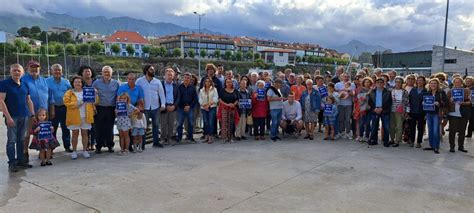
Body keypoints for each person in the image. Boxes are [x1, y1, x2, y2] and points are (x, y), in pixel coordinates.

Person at [0, 64, 35, 172]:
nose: (16, 73)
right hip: (12, 117)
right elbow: (1, 101)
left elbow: (28, 100)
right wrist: (8, 117)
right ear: (10, 72)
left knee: (21, 140)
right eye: (14, 71)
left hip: (24, 116)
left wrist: (32, 114)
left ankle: (20, 161)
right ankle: (12, 163)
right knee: (11, 140)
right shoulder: (4, 84)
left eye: (18, 71)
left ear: (22, 72)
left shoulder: (25, 84)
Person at [22, 60, 54, 164]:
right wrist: (31, 113)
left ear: (39, 69)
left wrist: (51, 108)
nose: (34, 69)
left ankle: (44, 153)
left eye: (36, 67)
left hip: (43, 114)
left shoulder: (44, 80)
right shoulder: (23, 80)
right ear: (27, 68)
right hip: (29, 113)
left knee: (44, 134)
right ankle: (25, 153)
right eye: (32, 67)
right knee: (27, 134)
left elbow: (49, 95)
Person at [64, 76, 98, 160]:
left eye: (79, 82)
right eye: (76, 82)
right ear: (73, 83)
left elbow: (96, 101)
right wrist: (79, 102)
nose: (78, 83)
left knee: (85, 134)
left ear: (82, 83)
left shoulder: (87, 91)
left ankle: (84, 150)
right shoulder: (69, 92)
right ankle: (74, 151)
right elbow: (67, 103)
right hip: (74, 117)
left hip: (86, 116)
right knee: (74, 134)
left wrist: (96, 94)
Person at [135, 64, 166, 149]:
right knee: (143, 126)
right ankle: (142, 144)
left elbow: (162, 94)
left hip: (155, 107)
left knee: (156, 125)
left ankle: (156, 142)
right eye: (151, 70)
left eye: (153, 69)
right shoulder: (139, 81)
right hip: (144, 108)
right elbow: (136, 93)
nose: (153, 71)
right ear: (146, 71)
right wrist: (137, 105)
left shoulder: (157, 81)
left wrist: (163, 104)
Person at [92, 66, 119, 154]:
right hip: (99, 108)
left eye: (108, 72)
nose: (107, 73)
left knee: (109, 128)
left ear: (111, 73)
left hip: (111, 108)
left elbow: (119, 97)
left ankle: (110, 145)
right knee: (98, 128)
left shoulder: (117, 83)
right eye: (105, 72)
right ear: (102, 73)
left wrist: (117, 108)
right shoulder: (96, 83)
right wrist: (93, 108)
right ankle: (98, 146)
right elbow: (92, 97)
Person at [46, 64, 72, 153]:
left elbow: (71, 94)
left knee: (66, 128)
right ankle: (51, 147)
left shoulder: (66, 82)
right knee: (53, 128)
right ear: (51, 71)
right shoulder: (46, 81)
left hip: (64, 108)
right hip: (52, 108)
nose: (57, 72)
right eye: (55, 70)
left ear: (62, 71)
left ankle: (67, 146)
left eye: (59, 70)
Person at [423, 78, 448, 154]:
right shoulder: (427, 93)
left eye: (435, 83)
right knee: (430, 130)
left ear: (437, 85)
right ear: (429, 85)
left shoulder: (441, 93)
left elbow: (446, 103)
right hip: (429, 113)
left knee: (435, 131)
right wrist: (423, 103)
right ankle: (431, 146)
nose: (433, 85)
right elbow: (425, 102)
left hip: (437, 114)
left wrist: (439, 104)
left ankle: (436, 147)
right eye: (431, 83)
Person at [446, 77, 470, 153]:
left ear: (462, 83)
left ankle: (461, 146)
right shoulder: (450, 91)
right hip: (453, 113)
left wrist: (463, 103)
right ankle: (452, 147)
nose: (457, 83)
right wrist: (450, 101)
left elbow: (471, 102)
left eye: (459, 82)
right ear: (453, 83)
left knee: (462, 131)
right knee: (452, 131)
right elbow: (446, 103)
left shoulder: (466, 90)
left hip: (463, 113)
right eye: (456, 82)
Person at [368, 78, 392, 147]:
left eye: (381, 82)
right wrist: (374, 108)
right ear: (375, 84)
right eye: (378, 82)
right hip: (374, 110)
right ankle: (374, 140)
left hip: (384, 111)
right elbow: (370, 102)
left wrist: (382, 108)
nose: (379, 84)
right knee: (374, 126)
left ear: (384, 83)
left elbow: (389, 102)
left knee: (386, 127)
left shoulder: (388, 92)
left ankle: (386, 141)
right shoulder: (372, 92)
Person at [78, 65, 97, 151]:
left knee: (94, 127)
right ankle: (87, 144)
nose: (87, 72)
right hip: (83, 108)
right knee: (85, 128)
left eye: (89, 71)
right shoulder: (80, 83)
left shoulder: (95, 82)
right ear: (81, 73)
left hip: (95, 107)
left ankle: (93, 143)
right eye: (85, 71)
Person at [176, 73, 198, 143]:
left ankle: (190, 137)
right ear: (183, 78)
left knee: (191, 123)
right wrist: (183, 107)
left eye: (188, 78)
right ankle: (179, 138)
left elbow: (195, 99)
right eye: (185, 77)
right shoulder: (179, 87)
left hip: (190, 108)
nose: (186, 79)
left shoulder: (193, 88)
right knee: (179, 124)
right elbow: (178, 98)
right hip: (181, 108)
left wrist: (190, 106)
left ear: (190, 79)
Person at [161, 68, 180, 145]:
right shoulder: (161, 84)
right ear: (165, 75)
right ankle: (162, 139)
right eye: (168, 75)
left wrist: (174, 106)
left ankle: (169, 139)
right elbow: (159, 96)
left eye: (171, 75)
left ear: (173, 76)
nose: (169, 76)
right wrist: (165, 105)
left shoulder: (176, 85)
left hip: (173, 107)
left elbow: (178, 97)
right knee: (163, 124)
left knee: (171, 124)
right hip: (164, 107)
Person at [218, 78, 240, 143]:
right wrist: (227, 104)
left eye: (230, 82)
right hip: (224, 108)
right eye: (227, 82)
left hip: (232, 109)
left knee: (231, 123)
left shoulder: (235, 91)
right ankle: (224, 138)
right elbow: (220, 99)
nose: (229, 83)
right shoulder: (222, 90)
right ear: (225, 83)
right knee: (224, 123)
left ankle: (230, 138)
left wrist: (233, 104)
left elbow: (237, 99)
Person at [389, 77, 409, 147]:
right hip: (391, 110)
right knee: (391, 126)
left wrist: (407, 111)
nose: (397, 83)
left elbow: (407, 103)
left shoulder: (404, 92)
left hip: (400, 111)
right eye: (396, 82)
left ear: (402, 83)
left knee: (399, 126)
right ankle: (392, 139)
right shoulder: (390, 90)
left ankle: (397, 140)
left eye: (399, 82)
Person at [408, 76, 427, 148]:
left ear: (424, 82)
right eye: (418, 80)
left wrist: (426, 114)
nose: (419, 82)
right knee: (412, 127)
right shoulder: (413, 90)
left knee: (420, 128)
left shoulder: (426, 91)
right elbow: (409, 101)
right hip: (412, 111)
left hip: (421, 112)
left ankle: (419, 142)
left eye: (421, 81)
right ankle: (412, 141)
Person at [198, 78, 218, 144]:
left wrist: (208, 105)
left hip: (212, 107)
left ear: (211, 82)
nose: (207, 82)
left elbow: (216, 98)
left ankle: (210, 137)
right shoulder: (201, 90)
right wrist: (204, 105)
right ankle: (206, 136)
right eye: (206, 81)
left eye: (209, 81)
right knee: (205, 122)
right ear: (204, 82)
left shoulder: (214, 89)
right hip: (203, 108)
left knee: (210, 122)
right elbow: (199, 99)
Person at [335, 73, 354, 139]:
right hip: (340, 104)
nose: (346, 78)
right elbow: (335, 93)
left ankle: (348, 133)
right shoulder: (337, 84)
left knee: (348, 119)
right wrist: (340, 94)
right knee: (341, 119)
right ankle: (341, 132)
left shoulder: (352, 84)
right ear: (341, 77)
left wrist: (348, 91)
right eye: (344, 76)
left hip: (349, 104)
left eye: (347, 76)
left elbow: (353, 94)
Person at [358, 77, 373, 143]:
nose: (367, 83)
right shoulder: (361, 90)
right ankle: (360, 135)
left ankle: (367, 136)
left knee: (368, 123)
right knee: (361, 123)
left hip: (370, 109)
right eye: (366, 82)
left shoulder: (372, 89)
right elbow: (359, 98)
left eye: (368, 82)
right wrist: (367, 94)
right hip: (363, 109)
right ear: (363, 83)